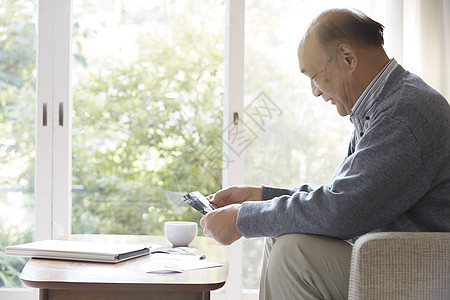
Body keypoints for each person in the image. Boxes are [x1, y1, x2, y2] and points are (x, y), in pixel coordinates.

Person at [200, 8, 450, 300]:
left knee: (294, 254)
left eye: (315, 76)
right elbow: (342, 196)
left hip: (421, 271)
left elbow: (343, 211)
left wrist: (243, 218)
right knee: (281, 237)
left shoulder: (403, 113)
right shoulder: (384, 105)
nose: (315, 92)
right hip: (392, 259)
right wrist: (260, 197)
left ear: (348, 58)